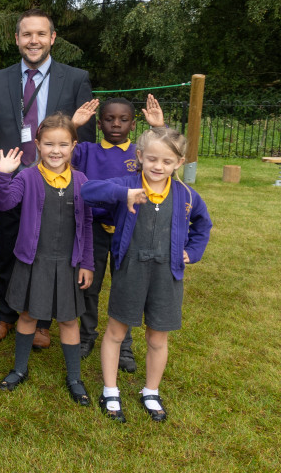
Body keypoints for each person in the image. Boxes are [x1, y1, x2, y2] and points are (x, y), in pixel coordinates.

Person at [0, 8, 95, 349]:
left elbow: (84, 140)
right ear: (17, 39)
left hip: (54, 184)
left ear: (52, 38)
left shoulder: (75, 78)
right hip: (10, 178)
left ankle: (41, 321)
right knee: (7, 249)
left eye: (40, 34)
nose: (34, 40)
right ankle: (5, 314)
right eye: (27, 34)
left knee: (48, 253)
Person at [83, 127, 212, 423]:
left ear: (179, 163)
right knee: (116, 331)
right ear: (140, 157)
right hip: (130, 269)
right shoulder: (126, 184)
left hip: (168, 274)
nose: (158, 167)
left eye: (167, 162)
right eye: (152, 159)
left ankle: (151, 391)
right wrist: (122, 193)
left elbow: (203, 225)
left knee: (157, 337)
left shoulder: (187, 195)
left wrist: (192, 252)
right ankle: (110, 390)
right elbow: (88, 192)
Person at [0, 113, 94, 407]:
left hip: (68, 263)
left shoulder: (82, 180)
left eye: (63, 144)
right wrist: (2, 175)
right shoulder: (26, 176)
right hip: (33, 261)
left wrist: (87, 262)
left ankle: (74, 377)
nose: (55, 150)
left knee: (68, 319)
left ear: (74, 145)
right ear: (37, 144)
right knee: (27, 315)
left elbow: (86, 224)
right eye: (49, 143)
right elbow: (4, 203)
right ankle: (19, 369)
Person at [70, 95, 165, 372]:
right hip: (93, 230)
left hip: (130, 230)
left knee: (127, 286)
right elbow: (59, 149)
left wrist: (158, 130)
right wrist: (73, 126)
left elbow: (165, 155)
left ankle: (124, 346)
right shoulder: (86, 151)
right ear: (99, 124)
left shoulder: (140, 153)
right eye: (109, 119)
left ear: (133, 125)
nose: (116, 124)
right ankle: (87, 335)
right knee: (89, 285)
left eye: (123, 119)